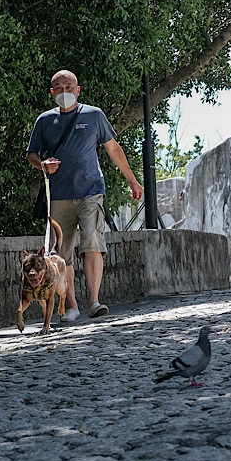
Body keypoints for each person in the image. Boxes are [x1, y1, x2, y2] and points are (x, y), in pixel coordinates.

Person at [26, 70, 143, 322]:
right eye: (59, 88)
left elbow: (113, 148)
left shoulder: (94, 115)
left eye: (69, 87)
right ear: (52, 93)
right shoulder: (45, 121)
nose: (64, 92)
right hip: (57, 195)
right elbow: (31, 153)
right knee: (61, 253)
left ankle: (94, 301)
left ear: (78, 90)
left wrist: (132, 181)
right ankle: (72, 306)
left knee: (92, 241)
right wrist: (43, 164)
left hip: (90, 191)